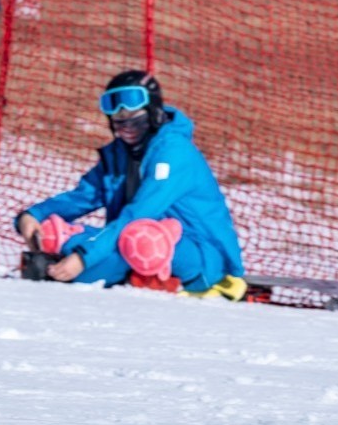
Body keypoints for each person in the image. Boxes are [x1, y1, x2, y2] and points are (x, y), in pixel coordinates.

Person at [15, 70, 246, 299]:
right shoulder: (120, 154)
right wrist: (34, 215)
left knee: (138, 238)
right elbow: (84, 196)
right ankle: (61, 263)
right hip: (133, 240)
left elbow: (139, 214)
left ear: (152, 109)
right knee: (60, 232)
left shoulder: (175, 153)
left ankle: (66, 271)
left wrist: (84, 257)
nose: (124, 119)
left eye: (131, 109)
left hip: (201, 257)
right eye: (115, 112)